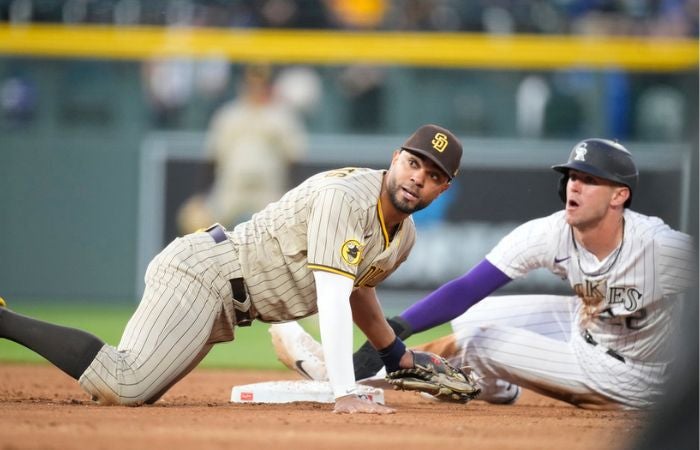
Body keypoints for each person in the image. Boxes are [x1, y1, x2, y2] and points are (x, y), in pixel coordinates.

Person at [0, 124, 463, 414]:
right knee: (126, 385)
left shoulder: (403, 236)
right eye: (413, 162)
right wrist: (345, 391)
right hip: (205, 276)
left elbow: (359, 293)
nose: (418, 177)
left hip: (226, 301)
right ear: (394, 158)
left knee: (136, 388)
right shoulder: (346, 199)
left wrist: (394, 355)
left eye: (433, 175)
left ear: (443, 189)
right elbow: (333, 296)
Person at [272, 138, 696, 410]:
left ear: (620, 195)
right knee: (474, 317)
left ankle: (345, 374)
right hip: (590, 326)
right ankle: (491, 387)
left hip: (636, 376)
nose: (573, 187)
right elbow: (468, 289)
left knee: (480, 342)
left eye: (589, 180)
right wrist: (393, 331)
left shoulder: (659, 248)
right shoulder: (553, 232)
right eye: (571, 177)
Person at [177, 64, 308, 233]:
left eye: (261, 84)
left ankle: (263, 258)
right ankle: (223, 250)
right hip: (231, 188)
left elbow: (294, 161)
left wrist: (292, 196)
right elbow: (212, 159)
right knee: (195, 219)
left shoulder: (282, 116)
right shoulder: (228, 114)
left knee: (292, 227)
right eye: (251, 85)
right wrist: (202, 194)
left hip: (268, 189)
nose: (256, 89)